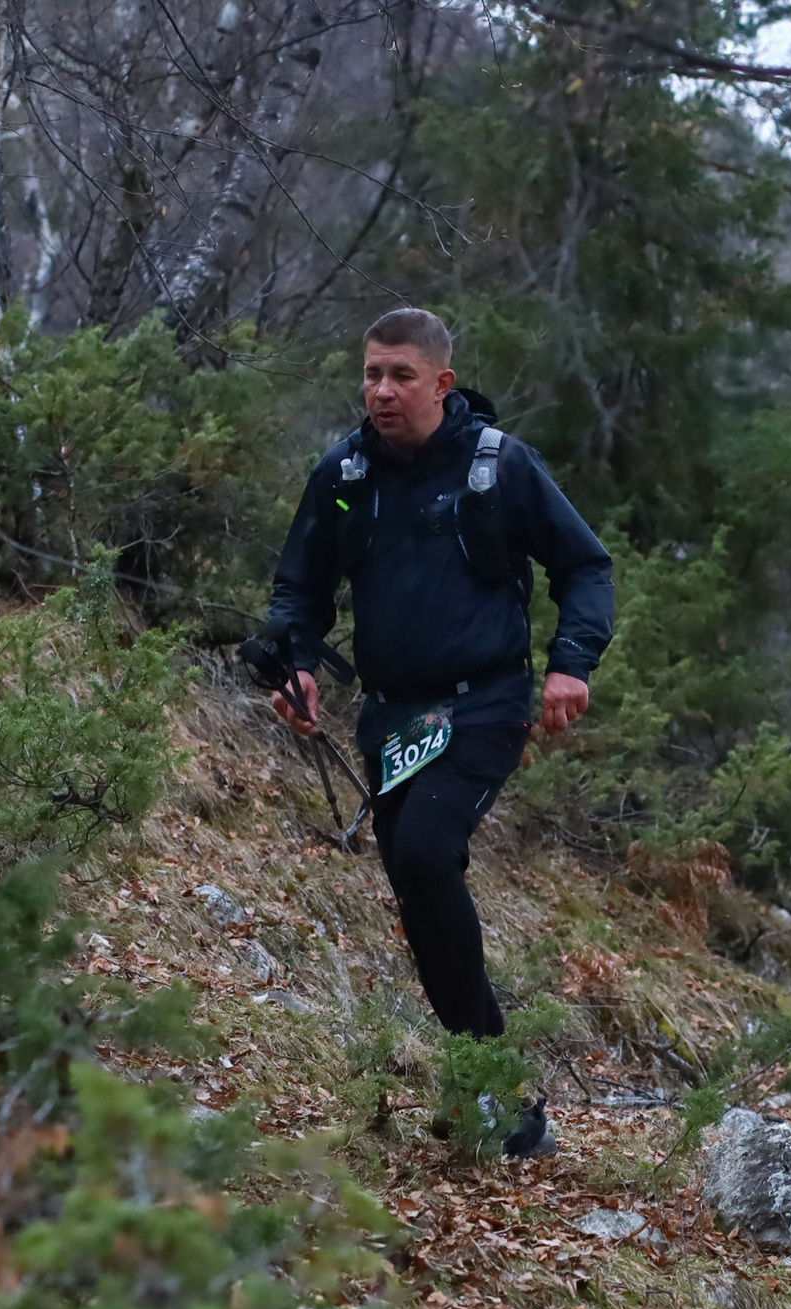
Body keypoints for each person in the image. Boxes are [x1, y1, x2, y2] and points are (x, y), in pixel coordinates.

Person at [259, 306, 615, 1157]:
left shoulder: (500, 467)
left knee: (423, 852)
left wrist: (572, 662)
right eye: (372, 374)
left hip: (485, 701)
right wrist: (297, 664)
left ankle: (491, 1083)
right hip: (391, 713)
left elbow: (585, 565)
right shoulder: (344, 472)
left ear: (442, 383)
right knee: (419, 890)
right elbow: (298, 589)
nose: (381, 391)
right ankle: (488, 1086)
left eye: (401, 376)